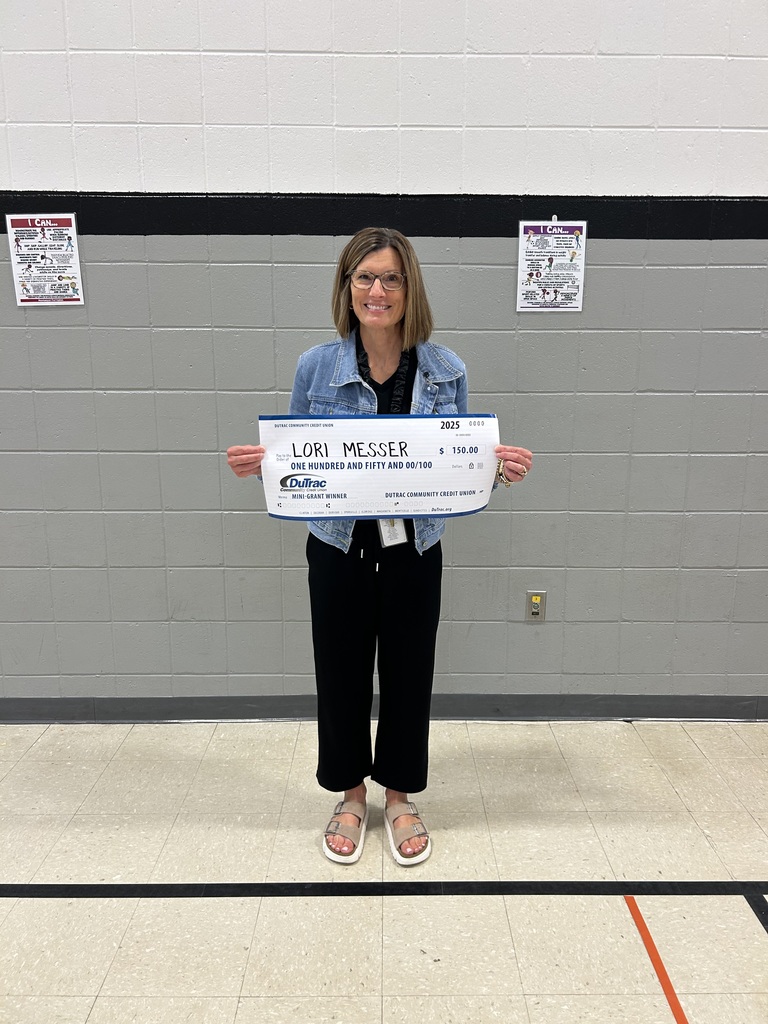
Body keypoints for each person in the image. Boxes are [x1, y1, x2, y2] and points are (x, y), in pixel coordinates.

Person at [227, 227, 532, 866]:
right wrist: (267, 466)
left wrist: (497, 470)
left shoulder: (447, 370)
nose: (377, 290)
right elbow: (298, 455)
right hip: (337, 548)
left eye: (390, 278)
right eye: (363, 277)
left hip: (414, 551)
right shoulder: (317, 366)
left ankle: (398, 797)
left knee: (408, 672)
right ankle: (348, 792)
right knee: (338, 673)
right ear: (347, 288)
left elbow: (461, 470)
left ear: (407, 287)